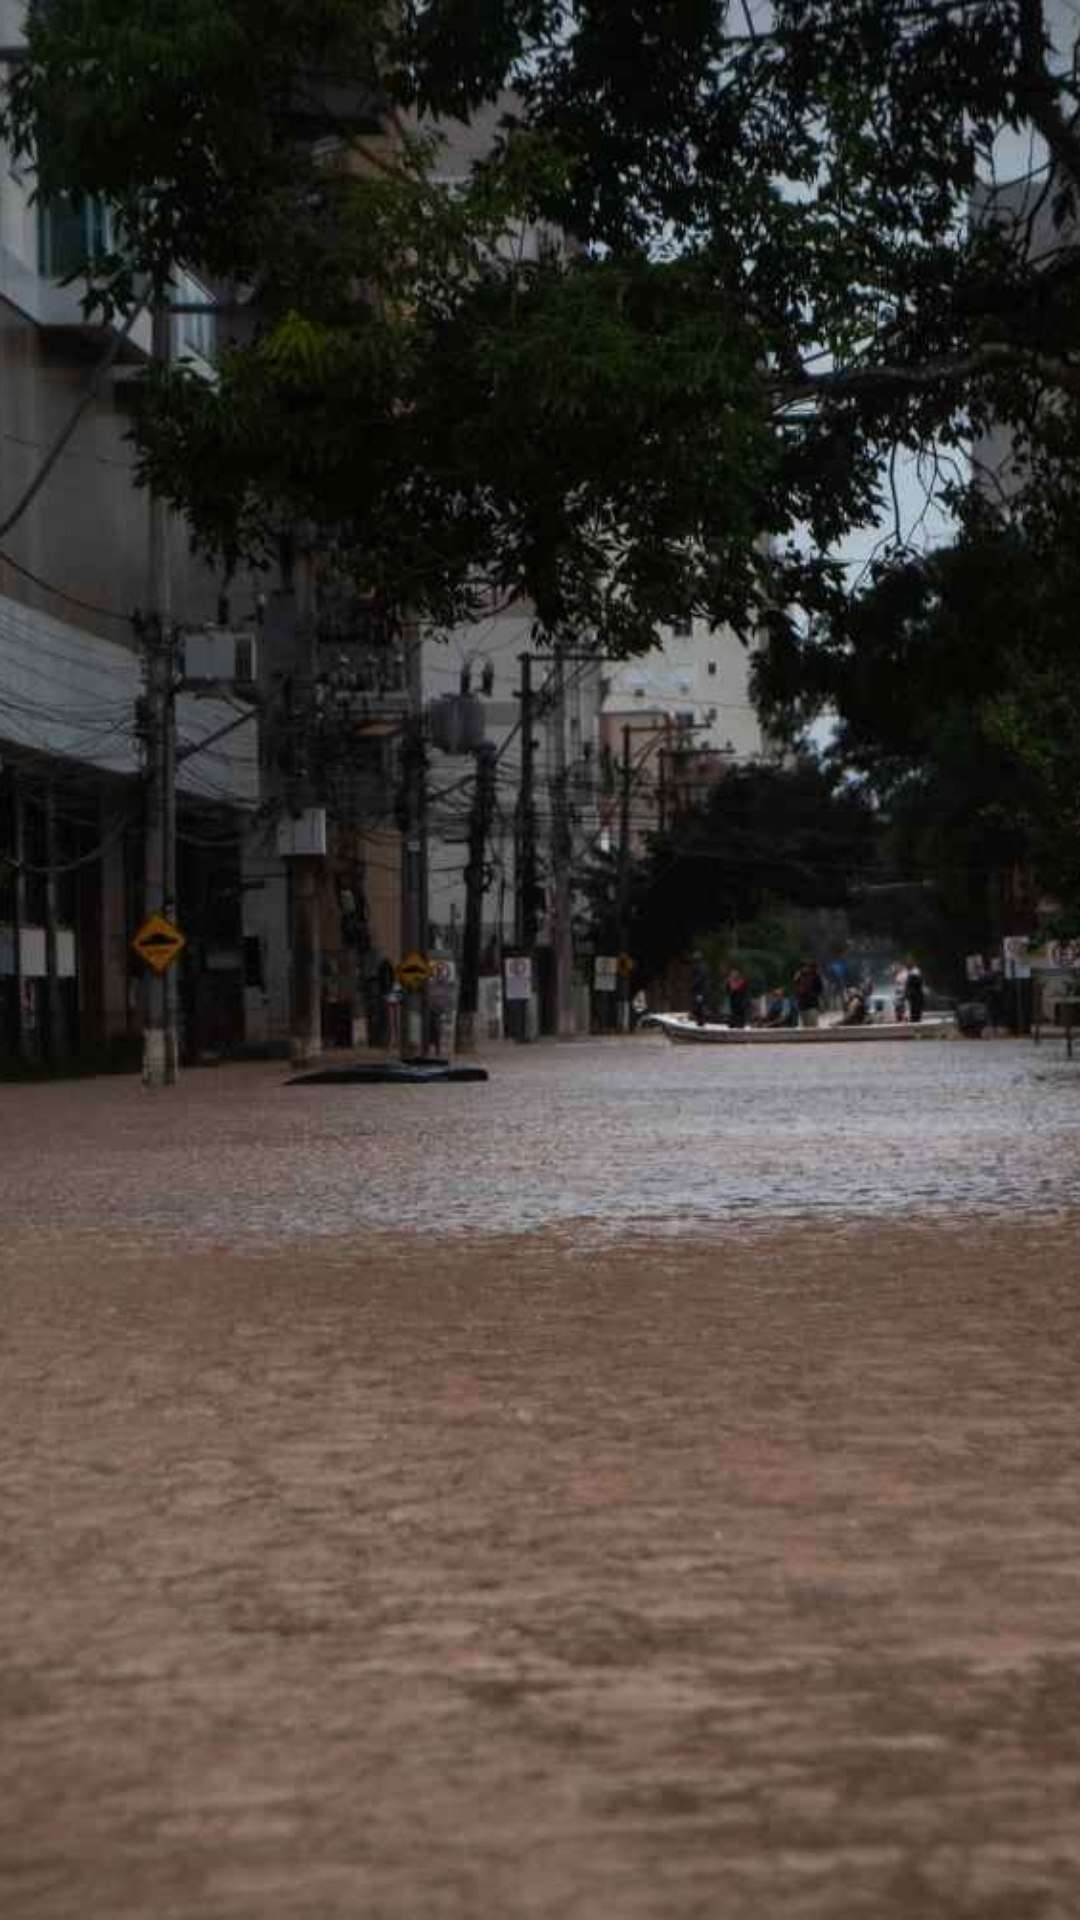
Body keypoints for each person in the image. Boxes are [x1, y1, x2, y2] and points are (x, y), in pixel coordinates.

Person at [793, 959, 825, 1029]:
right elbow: (796, 990)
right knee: (805, 1027)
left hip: (812, 1006)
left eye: (806, 967)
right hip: (803, 1006)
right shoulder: (799, 977)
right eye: (803, 967)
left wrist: (812, 994)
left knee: (813, 1027)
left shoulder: (815, 976)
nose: (805, 969)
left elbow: (820, 990)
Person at [690, 951, 709, 1027]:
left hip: (700, 990)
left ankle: (701, 1022)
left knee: (699, 1006)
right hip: (701, 990)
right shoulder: (702, 966)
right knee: (699, 1005)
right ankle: (700, 1022)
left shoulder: (701, 967)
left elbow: (700, 978)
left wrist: (693, 985)